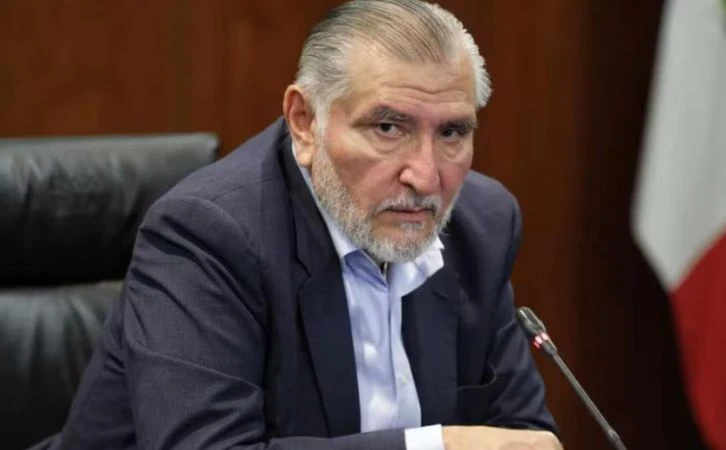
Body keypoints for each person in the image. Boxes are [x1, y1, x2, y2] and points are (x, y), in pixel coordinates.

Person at [45, 0, 561, 449]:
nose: (426, 177)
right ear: (305, 122)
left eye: (451, 133)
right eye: (387, 127)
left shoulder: (481, 224)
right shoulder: (207, 236)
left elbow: (520, 435)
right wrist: (436, 445)